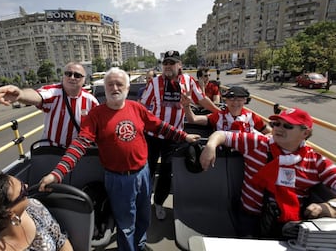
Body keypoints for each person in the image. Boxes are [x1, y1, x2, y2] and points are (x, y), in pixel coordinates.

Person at [39, 67, 201, 251]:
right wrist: (57, 173)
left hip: (143, 174)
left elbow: (160, 126)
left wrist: (184, 136)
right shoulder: (96, 115)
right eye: (110, 84)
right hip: (118, 180)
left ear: (126, 87)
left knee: (143, 217)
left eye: (119, 84)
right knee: (125, 225)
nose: (115, 88)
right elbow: (79, 145)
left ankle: (139, 246)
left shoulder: (137, 108)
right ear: (105, 88)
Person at [199, 107, 336, 238]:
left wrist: (327, 206)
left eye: (287, 126)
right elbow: (222, 135)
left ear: (305, 133)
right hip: (250, 218)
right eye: (276, 124)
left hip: (289, 224)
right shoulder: (257, 144)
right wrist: (211, 146)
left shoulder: (315, 161)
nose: (278, 129)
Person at [140, 50, 220, 220]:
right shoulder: (154, 82)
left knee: (167, 172)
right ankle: (144, 201)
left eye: (172, 63)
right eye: (166, 63)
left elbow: (202, 99)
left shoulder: (188, 81)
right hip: (152, 136)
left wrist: (219, 113)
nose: (168, 66)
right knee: (147, 170)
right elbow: (142, 106)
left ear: (180, 65)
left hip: (174, 137)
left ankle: (159, 202)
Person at [0, 172, 73, 251]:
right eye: (22, 192)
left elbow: (60, 241)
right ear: (9, 213)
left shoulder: (34, 209)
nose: (26, 186)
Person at [0, 62, 99, 148]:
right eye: (68, 74)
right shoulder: (54, 92)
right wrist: (21, 95)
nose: (72, 77)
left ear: (84, 79)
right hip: (52, 151)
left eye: (77, 75)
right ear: (63, 76)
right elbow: (37, 96)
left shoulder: (90, 101)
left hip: (77, 153)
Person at [182, 86, 272, 134]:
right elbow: (192, 119)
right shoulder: (218, 116)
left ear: (245, 100)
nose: (235, 102)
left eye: (239, 99)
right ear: (226, 100)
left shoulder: (253, 117)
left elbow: (269, 133)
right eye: (231, 99)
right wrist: (186, 105)